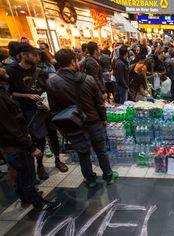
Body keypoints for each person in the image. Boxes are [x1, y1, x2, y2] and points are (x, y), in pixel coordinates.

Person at [46, 49, 118, 187]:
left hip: (72, 124)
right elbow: (99, 103)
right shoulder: (88, 79)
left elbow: (54, 109)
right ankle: (108, 176)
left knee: (83, 154)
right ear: (73, 62)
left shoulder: (52, 82)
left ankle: (90, 180)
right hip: (94, 121)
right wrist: (104, 119)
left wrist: (62, 128)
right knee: (101, 150)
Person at [0, 67, 61, 211]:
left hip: (12, 143)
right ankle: (38, 202)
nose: (3, 69)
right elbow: (10, 127)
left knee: (22, 173)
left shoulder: (4, 90)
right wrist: (31, 147)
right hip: (14, 144)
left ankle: (25, 196)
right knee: (27, 173)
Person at [6, 44, 53, 180]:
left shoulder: (39, 70)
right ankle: (30, 170)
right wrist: (27, 96)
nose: (37, 58)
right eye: (33, 55)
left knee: (41, 138)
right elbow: (9, 94)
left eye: (37, 55)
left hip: (42, 109)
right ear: (23, 54)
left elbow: (46, 87)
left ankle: (40, 166)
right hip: (24, 112)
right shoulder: (12, 71)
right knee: (28, 141)